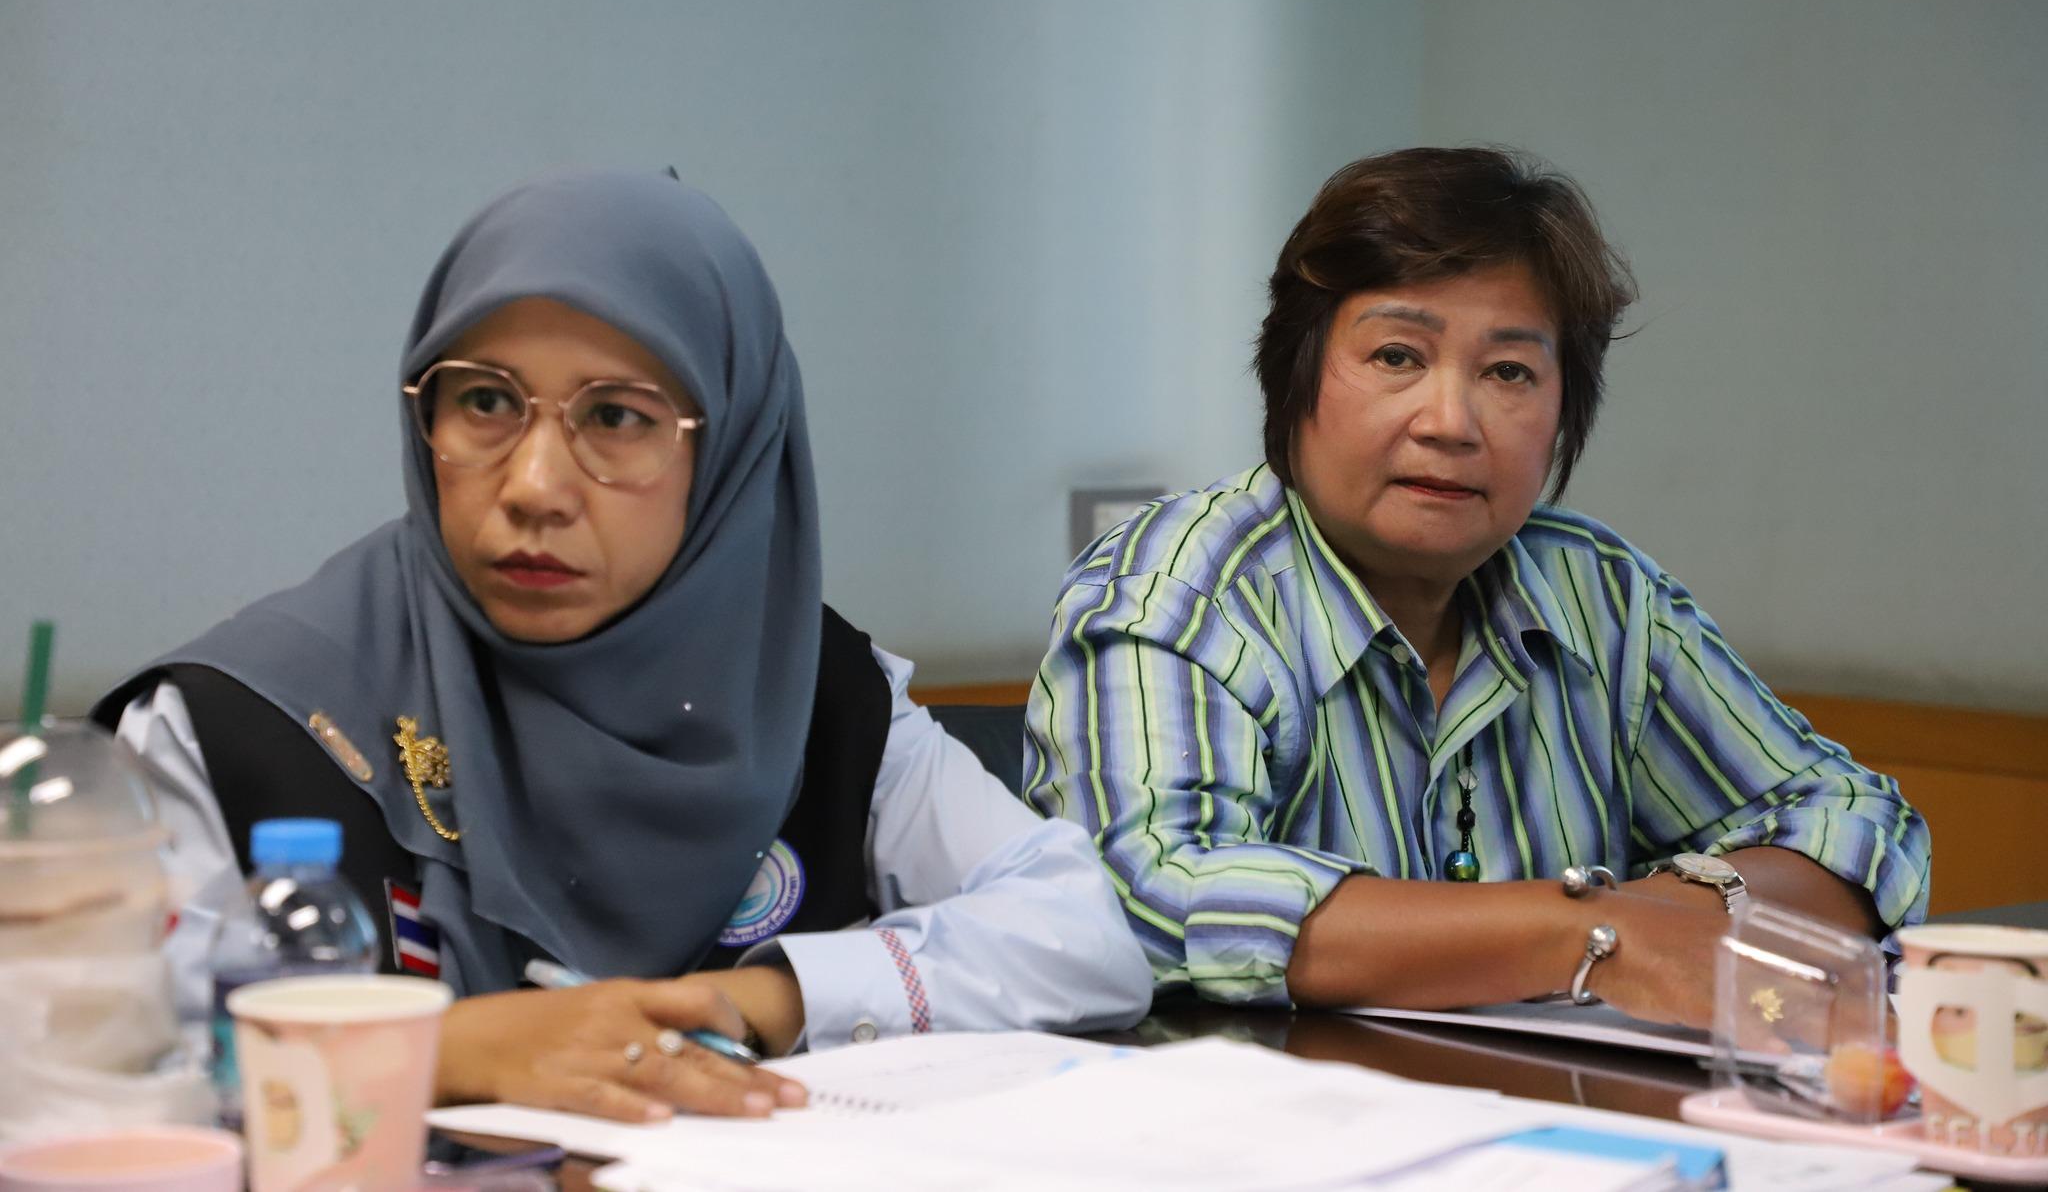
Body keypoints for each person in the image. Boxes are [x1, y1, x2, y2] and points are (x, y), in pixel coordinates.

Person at [98, 169, 1150, 1123]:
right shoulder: (241, 721)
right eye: (484, 402)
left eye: (617, 417)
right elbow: (92, 1063)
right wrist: (450, 1050)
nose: (533, 488)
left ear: (730, 450)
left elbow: (1080, 934)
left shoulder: (810, 693)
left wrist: (759, 1000)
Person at [1023, 147, 1930, 1028]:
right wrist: (1590, 934)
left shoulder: (1600, 595)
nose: (1451, 422)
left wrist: (1672, 910)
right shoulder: (1180, 591)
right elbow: (1143, 892)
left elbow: (1858, 822)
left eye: (1508, 372)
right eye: (1396, 356)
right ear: (1293, 378)